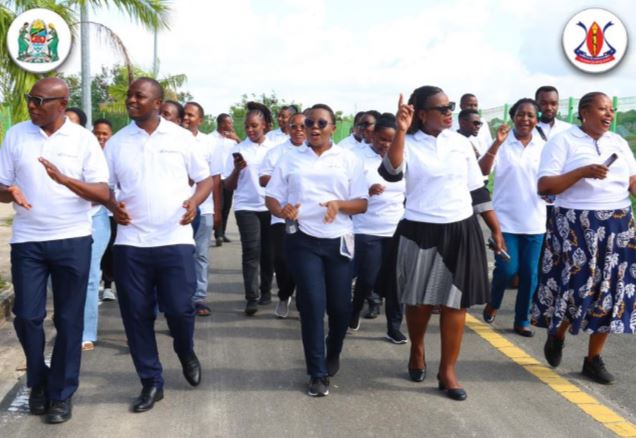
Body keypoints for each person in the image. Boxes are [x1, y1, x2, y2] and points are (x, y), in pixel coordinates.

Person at [380, 86, 505, 401]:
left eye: (450, 107)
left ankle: (448, 371)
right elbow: (391, 172)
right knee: (419, 302)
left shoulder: (460, 143)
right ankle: (417, 349)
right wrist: (400, 130)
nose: (450, 112)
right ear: (422, 114)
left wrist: (495, 228)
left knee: (455, 303)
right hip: (420, 230)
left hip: (461, 228)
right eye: (443, 108)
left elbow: (477, 189)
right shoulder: (407, 143)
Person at [0, 78, 109, 423]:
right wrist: (9, 192)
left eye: (39, 101)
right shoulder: (16, 135)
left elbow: (102, 192)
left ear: (61, 104)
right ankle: (39, 380)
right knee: (27, 316)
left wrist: (65, 180)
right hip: (28, 241)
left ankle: (61, 393)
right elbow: (1, 185)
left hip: (73, 239)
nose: (31, 106)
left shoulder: (83, 139)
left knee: (68, 318)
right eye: (30, 99)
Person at [105, 78, 213, 412]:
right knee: (136, 315)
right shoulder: (117, 143)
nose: (131, 100)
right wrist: (112, 205)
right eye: (130, 95)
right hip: (131, 242)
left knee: (180, 309)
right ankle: (151, 381)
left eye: (139, 96)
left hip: (174, 239)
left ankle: (185, 349)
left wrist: (195, 201)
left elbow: (205, 180)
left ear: (157, 102)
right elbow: (106, 186)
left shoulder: (181, 138)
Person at [532, 92, 636, 385]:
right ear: (585, 112)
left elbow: (632, 180)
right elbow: (545, 186)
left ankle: (593, 359)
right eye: (603, 109)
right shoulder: (563, 141)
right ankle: (557, 334)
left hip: (618, 224)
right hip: (577, 225)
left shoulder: (618, 142)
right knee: (577, 288)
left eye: (611, 109)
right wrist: (582, 172)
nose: (609, 114)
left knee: (612, 291)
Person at [266, 103, 368, 397]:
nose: (313, 127)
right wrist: (282, 210)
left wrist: (338, 205)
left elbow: (361, 203)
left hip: (338, 240)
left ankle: (333, 349)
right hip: (302, 239)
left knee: (340, 308)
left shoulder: (348, 159)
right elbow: (271, 197)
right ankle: (317, 372)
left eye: (321, 123)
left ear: (333, 128)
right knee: (312, 304)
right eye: (309, 122)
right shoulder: (289, 158)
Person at [479, 99, 546, 337]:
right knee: (507, 270)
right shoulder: (502, 142)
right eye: (520, 114)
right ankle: (494, 301)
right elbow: (482, 170)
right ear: (513, 116)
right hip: (504, 221)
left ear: (537, 120)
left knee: (530, 273)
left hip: (535, 221)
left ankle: (522, 319)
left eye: (530, 115)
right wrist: (496, 144)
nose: (525, 119)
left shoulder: (545, 146)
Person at [350, 113, 406, 342]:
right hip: (367, 228)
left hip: (397, 228)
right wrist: (367, 190)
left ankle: (394, 327)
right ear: (372, 135)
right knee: (367, 279)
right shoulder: (357, 158)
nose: (386, 145)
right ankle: (354, 312)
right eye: (382, 139)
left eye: (392, 140)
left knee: (396, 281)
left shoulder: (403, 158)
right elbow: (345, 189)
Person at [62, 113, 112, 352]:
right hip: (60, 224)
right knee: (60, 279)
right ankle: (66, 325)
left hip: (95, 219)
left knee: (90, 276)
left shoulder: (91, 149)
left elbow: (102, 192)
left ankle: (85, 332)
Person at [223, 102, 275, 315]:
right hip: (246, 207)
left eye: (254, 125)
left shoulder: (275, 149)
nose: (250, 130)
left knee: (268, 253)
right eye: (247, 126)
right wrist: (237, 170)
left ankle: (266, 291)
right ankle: (251, 297)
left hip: (270, 206)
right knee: (251, 251)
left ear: (264, 126)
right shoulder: (238, 150)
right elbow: (228, 186)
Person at [259, 112, 306, 318]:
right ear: (287, 128)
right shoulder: (277, 153)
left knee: (304, 260)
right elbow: (263, 179)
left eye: (303, 126)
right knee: (283, 260)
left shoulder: (315, 154)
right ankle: (284, 295)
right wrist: (285, 179)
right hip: (281, 215)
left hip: (308, 218)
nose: (298, 130)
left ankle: (303, 300)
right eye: (294, 126)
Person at [182, 101, 223, 317]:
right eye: (184, 114)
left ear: (201, 119)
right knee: (179, 256)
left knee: (200, 254)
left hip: (204, 208)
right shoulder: (173, 139)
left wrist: (217, 210)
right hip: (177, 209)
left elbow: (215, 179)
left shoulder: (209, 143)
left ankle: (198, 297)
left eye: (191, 115)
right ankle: (178, 296)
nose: (186, 118)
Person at [212, 113, 240, 246]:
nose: (231, 125)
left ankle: (222, 233)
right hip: (216, 178)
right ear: (221, 124)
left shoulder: (233, 140)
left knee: (227, 207)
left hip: (229, 178)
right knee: (219, 205)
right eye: (229, 123)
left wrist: (237, 138)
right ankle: (218, 234)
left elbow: (244, 149)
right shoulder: (210, 138)